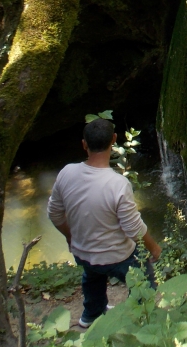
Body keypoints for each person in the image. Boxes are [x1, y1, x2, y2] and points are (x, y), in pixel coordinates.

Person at [47, 118, 162, 328]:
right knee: (144, 278)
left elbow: (54, 214)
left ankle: (91, 315)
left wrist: (70, 236)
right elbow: (133, 228)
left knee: (92, 276)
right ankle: (140, 319)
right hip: (117, 256)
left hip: (83, 253)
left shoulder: (66, 173)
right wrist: (154, 247)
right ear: (114, 140)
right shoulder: (117, 184)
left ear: (84, 144)